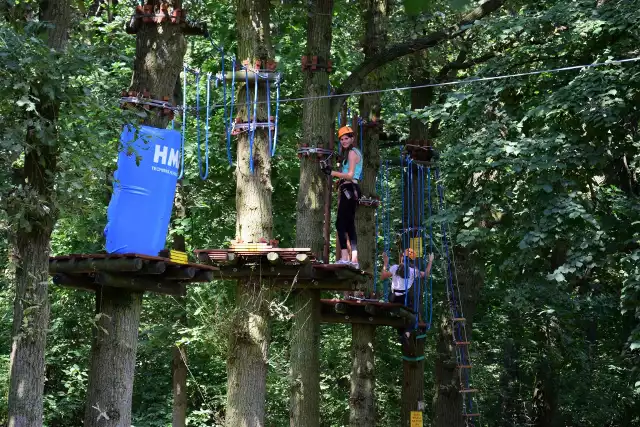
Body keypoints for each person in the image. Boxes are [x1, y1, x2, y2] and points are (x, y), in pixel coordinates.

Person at [322, 126, 363, 268]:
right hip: (351, 189)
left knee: (340, 223)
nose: (344, 141)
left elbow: (350, 175)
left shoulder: (352, 153)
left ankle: (345, 258)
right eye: (342, 139)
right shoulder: (352, 152)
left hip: (350, 188)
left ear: (352, 138)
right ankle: (354, 260)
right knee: (349, 225)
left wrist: (331, 172)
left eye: (346, 138)